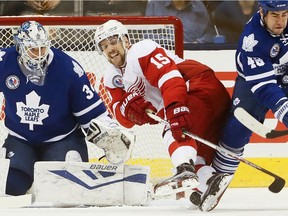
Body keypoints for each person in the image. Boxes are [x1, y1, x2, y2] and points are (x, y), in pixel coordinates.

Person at [94, 19, 232, 210]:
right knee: (196, 154)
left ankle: (184, 170)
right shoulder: (112, 77)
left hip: (197, 87)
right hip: (198, 100)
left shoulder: (141, 50)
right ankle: (210, 180)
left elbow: (170, 77)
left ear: (125, 40)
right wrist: (131, 110)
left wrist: (175, 107)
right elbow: (121, 117)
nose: (110, 48)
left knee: (173, 130)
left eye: (113, 41)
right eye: (104, 46)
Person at [0, 20, 118, 196]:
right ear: (20, 47)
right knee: (10, 186)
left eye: (43, 48)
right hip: (21, 139)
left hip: (62, 138)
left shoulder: (67, 68)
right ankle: (28, 174)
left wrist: (112, 139)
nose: (40, 54)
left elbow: (93, 115)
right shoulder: (4, 61)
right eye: (33, 49)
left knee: (66, 191)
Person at [204, 0, 288, 211]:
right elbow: (266, 88)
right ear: (262, 12)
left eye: (285, 14)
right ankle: (213, 183)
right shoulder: (253, 40)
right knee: (235, 132)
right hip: (255, 84)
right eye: (275, 15)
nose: (281, 21)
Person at [145, 0, 214, 44]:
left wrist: (197, 43)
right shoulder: (155, 4)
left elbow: (209, 33)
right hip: (163, 54)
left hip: (193, 54)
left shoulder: (199, 5)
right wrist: (176, 42)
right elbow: (147, 35)